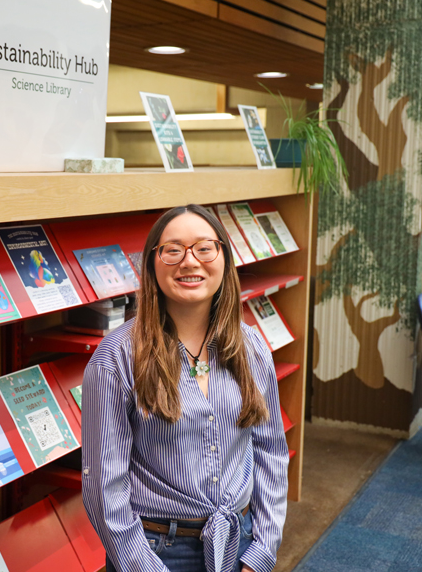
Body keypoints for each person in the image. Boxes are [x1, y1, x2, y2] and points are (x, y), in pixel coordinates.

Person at [81, 204, 288, 572]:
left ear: (224, 258)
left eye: (205, 248)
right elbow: (103, 484)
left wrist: (261, 551)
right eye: (173, 250)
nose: (190, 262)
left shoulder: (251, 347)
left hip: (236, 543)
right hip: (155, 549)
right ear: (152, 263)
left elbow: (269, 452)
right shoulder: (116, 358)